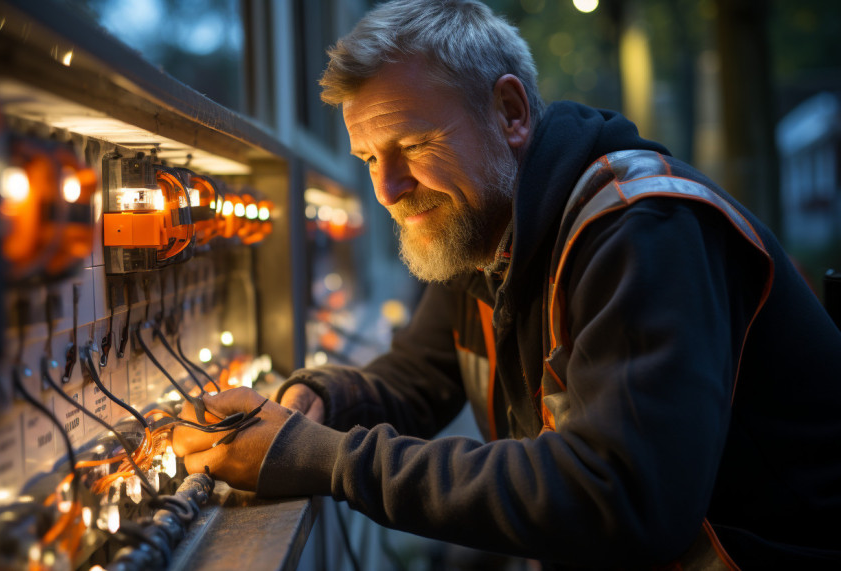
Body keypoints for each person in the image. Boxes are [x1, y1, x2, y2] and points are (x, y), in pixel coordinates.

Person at [172, 0, 841, 567]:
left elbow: (624, 498)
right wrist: (320, 400)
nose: (388, 188)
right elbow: (419, 375)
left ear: (511, 112)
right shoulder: (484, 231)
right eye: (370, 157)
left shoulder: (641, 227)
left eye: (413, 143)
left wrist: (324, 459)